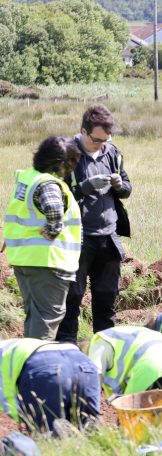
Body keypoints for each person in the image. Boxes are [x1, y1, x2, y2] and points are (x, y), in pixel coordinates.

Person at [56, 105, 132, 344]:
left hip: (108, 238)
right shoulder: (66, 154)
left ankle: (105, 355)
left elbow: (127, 189)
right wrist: (85, 187)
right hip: (77, 239)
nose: (101, 145)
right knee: (71, 300)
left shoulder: (112, 153)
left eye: (105, 140)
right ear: (83, 131)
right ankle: (66, 354)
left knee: (107, 300)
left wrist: (120, 185)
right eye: (96, 140)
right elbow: (54, 194)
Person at [3, 136, 82, 340]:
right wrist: (53, 230)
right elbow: (54, 213)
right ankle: (37, 366)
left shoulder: (29, 177)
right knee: (48, 317)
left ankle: (26, 362)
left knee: (35, 316)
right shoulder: (48, 184)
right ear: (60, 163)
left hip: (24, 258)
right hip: (47, 261)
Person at [0, 338, 99, 431]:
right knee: (90, 429)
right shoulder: (11, 346)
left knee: (48, 434)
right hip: (83, 362)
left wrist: (25, 420)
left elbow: (6, 397)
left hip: (45, 366)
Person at [88, 326, 162, 400]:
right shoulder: (125, 332)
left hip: (153, 369)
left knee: (130, 426)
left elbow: (93, 379)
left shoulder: (98, 343)